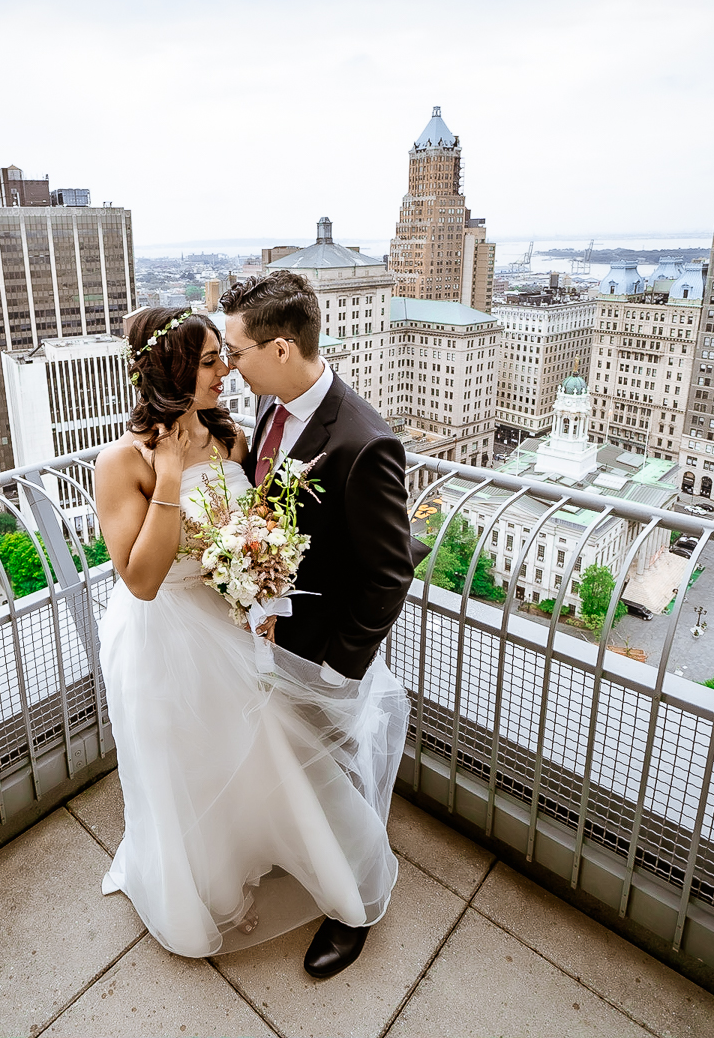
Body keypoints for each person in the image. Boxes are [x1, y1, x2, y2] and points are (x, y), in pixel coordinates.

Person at [92, 304, 409, 967]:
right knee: (184, 767)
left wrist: (258, 583)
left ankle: (342, 891)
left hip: (232, 633)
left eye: (226, 357)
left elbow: (252, 530)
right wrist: (171, 478)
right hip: (162, 636)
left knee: (266, 755)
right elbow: (142, 579)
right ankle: (204, 882)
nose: (226, 373)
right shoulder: (123, 462)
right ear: (174, 368)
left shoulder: (234, 436)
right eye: (212, 361)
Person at [219, 269, 420, 978]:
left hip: (329, 656)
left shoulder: (364, 441)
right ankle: (304, 857)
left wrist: (340, 671)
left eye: (236, 350)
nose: (230, 363)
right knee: (299, 772)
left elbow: (390, 572)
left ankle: (353, 906)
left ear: (279, 348)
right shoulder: (271, 410)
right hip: (278, 639)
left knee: (341, 781)